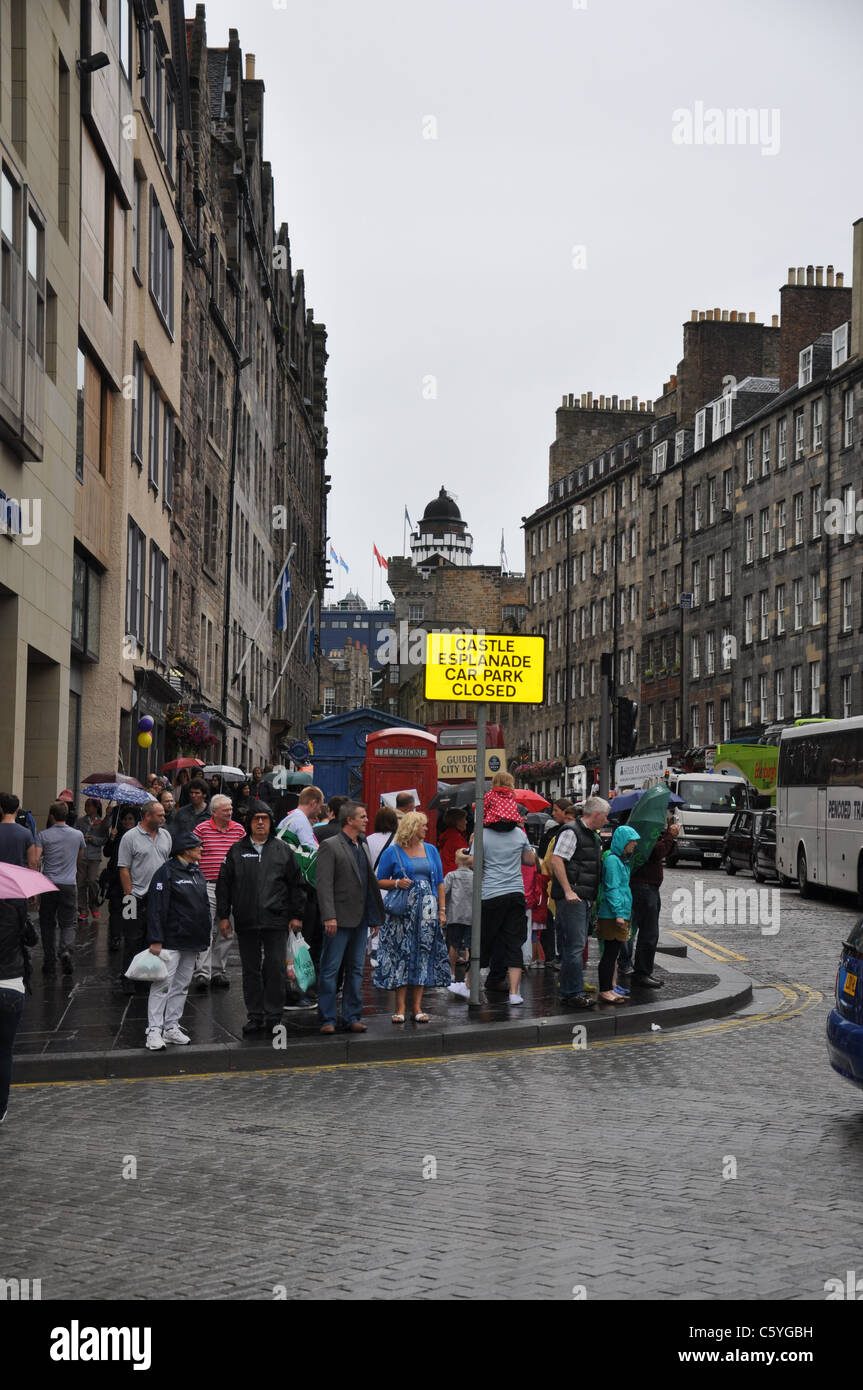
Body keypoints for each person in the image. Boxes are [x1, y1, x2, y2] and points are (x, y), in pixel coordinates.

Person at [216, 801, 306, 1036]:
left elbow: (297, 885)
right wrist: (223, 916)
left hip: (276, 920)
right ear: (249, 823)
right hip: (246, 920)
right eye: (255, 818)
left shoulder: (283, 850)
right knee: (251, 970)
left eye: (264, 819)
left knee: (275, 968)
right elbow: (224, 885)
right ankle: (255, 1016)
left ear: (270, 822)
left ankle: (274, 1015)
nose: (260, 822)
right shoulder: (236, 850)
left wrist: (297, 915)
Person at [315, 802, 385, 1035]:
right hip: (338, 919)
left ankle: (352, 1016)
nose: (367, 820)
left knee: (356, 970)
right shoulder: (330, 846)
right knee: (330, 970)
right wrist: (329, 916)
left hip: (361, 918)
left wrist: (374, 916)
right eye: (362, 817)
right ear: (350, 821)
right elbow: (323, 885)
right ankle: (327, 1019)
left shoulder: (362, 844)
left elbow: (368, 883)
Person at [374, 811, 449, 1023]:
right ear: (412, 827)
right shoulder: (393, 852)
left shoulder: (431, 850)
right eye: (422, 825)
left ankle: (417, 1007)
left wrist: (442, 910)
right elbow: (379, 880)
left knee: (422, 956)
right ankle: (400, 1007)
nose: (426, 829)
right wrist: (397, 883)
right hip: (402, 915)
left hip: (427, 913)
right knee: (400, 956)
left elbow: (440, 882)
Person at [144, 830, 211, 1050]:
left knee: (181, 986)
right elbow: (156, 908)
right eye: (198, 846)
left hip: (191, 941)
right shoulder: (166, 873)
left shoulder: (196, 872)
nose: (201, 849)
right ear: (185, 850)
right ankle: (154, 1030)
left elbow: (203, 906)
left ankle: (171, 1027)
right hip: (171, 941)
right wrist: (156, 939)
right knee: (162, 985)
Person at [550, 796, 610, 1009]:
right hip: (573, 898)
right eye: (605, 816)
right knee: (575, 947)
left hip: (582, 897)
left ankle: (568, 991)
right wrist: (568, 891)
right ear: (596, 814)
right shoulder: (571, 831)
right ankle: (573, 993)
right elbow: (556, 860)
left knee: (574, 947)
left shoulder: (590, 834)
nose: (606, 820)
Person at [478, 787, 536, 1006]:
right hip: (516, 894)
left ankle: (468, 984)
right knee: (514, 943)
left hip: (491, 894)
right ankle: (514, 993)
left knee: (484, 940)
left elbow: (474, 863)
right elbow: (530, 861)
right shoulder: (520, 834)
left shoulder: (482, 834)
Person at [189, 794, 246, 992]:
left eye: (231, 809)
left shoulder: (239, 830)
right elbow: (192, 854)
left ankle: (217, 970)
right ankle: (202, 973)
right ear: (214, 812)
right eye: (226, 810)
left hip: (232, 888)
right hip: (208, 885)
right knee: (206, 929)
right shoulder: (202, 829)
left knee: (226, 931)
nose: (230, 813)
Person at [116, 799, 172, 993]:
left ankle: (148, 976)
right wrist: (129, 895)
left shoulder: (166, 835)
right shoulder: (130, 837)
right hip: (134, 896)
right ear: (148, 816)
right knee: (131, 938)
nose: (164, 817)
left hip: (159, 898)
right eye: (160, 815)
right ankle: (128, 978)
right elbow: (124, 868)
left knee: (154, 937)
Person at [624, 814, 679, 988]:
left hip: (648, 888)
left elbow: (664, 851)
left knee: (646, 932)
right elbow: (657, 852)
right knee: (649, 933)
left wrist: (669, 838)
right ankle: (641, 973)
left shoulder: (645, 833)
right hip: (644, 888)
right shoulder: (643, 834)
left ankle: (639, 969)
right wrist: (670, 836)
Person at [35, 802, 86, 977]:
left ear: (51, 816)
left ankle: (49, 961)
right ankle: (66, 950)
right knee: (69, 922)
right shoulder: (78, 834)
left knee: (47, 923)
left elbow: (35, 860)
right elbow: (80, 858)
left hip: (48, 884)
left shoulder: (43, 835)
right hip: (68, 884)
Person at [595, 825, 641, 1002]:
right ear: (624, 842)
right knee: (609, 955)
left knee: (612, 954)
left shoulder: (621, 861)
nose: (635, 844)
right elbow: (612, 888)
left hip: (617, 913)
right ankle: (605, 990)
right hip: (612, 915)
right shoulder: (614, 861)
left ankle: (609, 988)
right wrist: (619, 914)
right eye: (632, 841)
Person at [0, 894, 32, 1123]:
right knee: (4, 1053)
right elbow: (33, 940)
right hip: (11, 987)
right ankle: (1, 1109)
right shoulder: (14, 913)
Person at [104, 808, 139, 952]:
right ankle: (115, 937)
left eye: (130, 819)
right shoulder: (117, 834)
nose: (127, 822)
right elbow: (107, 852)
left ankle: (128, 936)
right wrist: (111, 838)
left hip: (132, 878)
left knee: (129, 909)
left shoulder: (138, 836)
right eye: (125, 819)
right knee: (115, 910)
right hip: (115, 878)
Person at [444, 846, 473, 998]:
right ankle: (468, 976)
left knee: (453, 945)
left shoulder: (451, 876)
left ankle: (452, 973)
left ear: (457, 860)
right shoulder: (475, 876)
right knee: (469, 946)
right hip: (471, 915)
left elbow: (443, 891)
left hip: (454, 915)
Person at [74, 798, 108, 922]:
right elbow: (75, 835)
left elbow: (104, 839)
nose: (87, 808)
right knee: (81, 882)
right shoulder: (80, 821)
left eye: (90, 806)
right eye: (86, 805)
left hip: (94, 857)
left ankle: (93, 905)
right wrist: (82, 838)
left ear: (96, 808)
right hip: (82, 856)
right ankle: (82, 909)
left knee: (93, 881)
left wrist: (92, 839)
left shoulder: (101, 822)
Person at [0, 793, 38, 868]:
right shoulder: (26, 833)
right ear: (17, 809)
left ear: (1, 809)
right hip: (18, 877)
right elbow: (32, 863)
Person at [365, 805, 398, 871]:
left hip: (374, 878)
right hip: (394, 879)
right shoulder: (399, 839)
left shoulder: (368, 839)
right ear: (394, 821)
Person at [438, 808, 469, 876]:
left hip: (446, 872)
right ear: (457, 821)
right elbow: (466, 857)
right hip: (455, 874)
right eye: (464, 819)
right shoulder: (456, 838)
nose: (466, 822)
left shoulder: (448, 834)